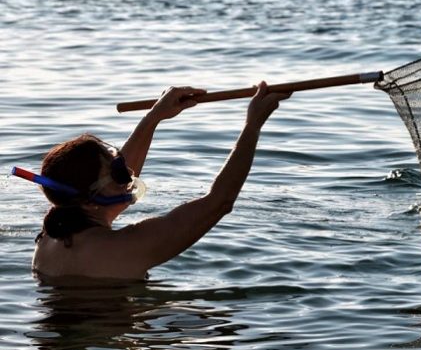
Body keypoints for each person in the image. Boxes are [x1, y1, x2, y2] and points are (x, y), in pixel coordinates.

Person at [17, 82, 291, 280]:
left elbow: (117, 176)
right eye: (119, 173)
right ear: (91, 198)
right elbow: (219, 202)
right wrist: (252, 125)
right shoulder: (124, 247)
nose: (128, 176)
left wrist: (155, 116)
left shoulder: (50, 239)